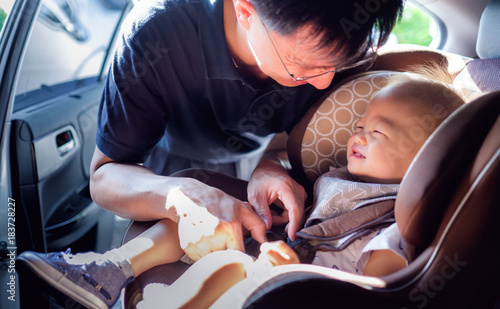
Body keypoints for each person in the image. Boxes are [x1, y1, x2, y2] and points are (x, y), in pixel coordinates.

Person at [17, 72, 466, 309]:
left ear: (425, 160)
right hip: (277, 256)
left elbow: (374, 289)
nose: (358, 136)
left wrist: (295, 273)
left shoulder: (396, 217)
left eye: (379, 134)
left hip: (306, 289)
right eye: (361, 125)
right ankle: (109, 271)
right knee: (204, 215)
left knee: (232, 266)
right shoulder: (337, 177)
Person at [88, 0, 407, 268]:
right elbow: (104, 176)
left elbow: (304, 134)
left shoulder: (349, 45)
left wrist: (270, 165)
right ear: (244, 11)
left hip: (257, 155)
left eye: (335, 65)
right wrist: (181, 194)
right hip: (166, 157)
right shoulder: (156, 34)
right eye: (301, 66)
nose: (324, 83)